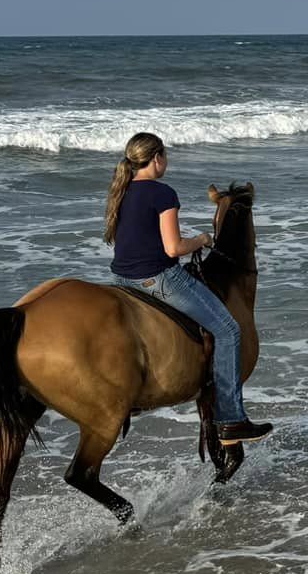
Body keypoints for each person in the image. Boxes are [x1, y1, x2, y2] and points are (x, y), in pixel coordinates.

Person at [103, 132, 272, 444]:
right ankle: (232, 419)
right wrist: (203, 240)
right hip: (158, 279)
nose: (166, 161)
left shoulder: (122, 190)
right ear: (157, 159)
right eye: (165, 155)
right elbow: (173, 248)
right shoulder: (162, 193)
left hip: (122, 280)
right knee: (228, 330)